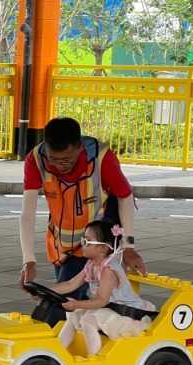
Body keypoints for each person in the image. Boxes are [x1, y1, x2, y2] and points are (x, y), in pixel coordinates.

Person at [19, 117, 147, 306]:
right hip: (62, 246)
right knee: (70, 293)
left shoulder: (102, 158)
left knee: (62, 304)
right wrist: (28, 260)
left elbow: (125, 197)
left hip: (94, 241)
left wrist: (129, 247)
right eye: (54, 159)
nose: (59, 166)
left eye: (66, 160)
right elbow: (27, 213)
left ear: (80, 148)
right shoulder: (36, 159)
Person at [52, 221, 156, 357]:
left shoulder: (108, 270)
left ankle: (94, 358)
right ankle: (57, 353)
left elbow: (101, 300)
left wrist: (76, 304)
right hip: (108, 307)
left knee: (87, 321)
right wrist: (46, 290)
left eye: (86, 241)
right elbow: (70, 284)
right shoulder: (91, 264)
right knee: (73, 316)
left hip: (125, 312)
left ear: (102, 249)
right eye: (83, 240)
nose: (82, 244)